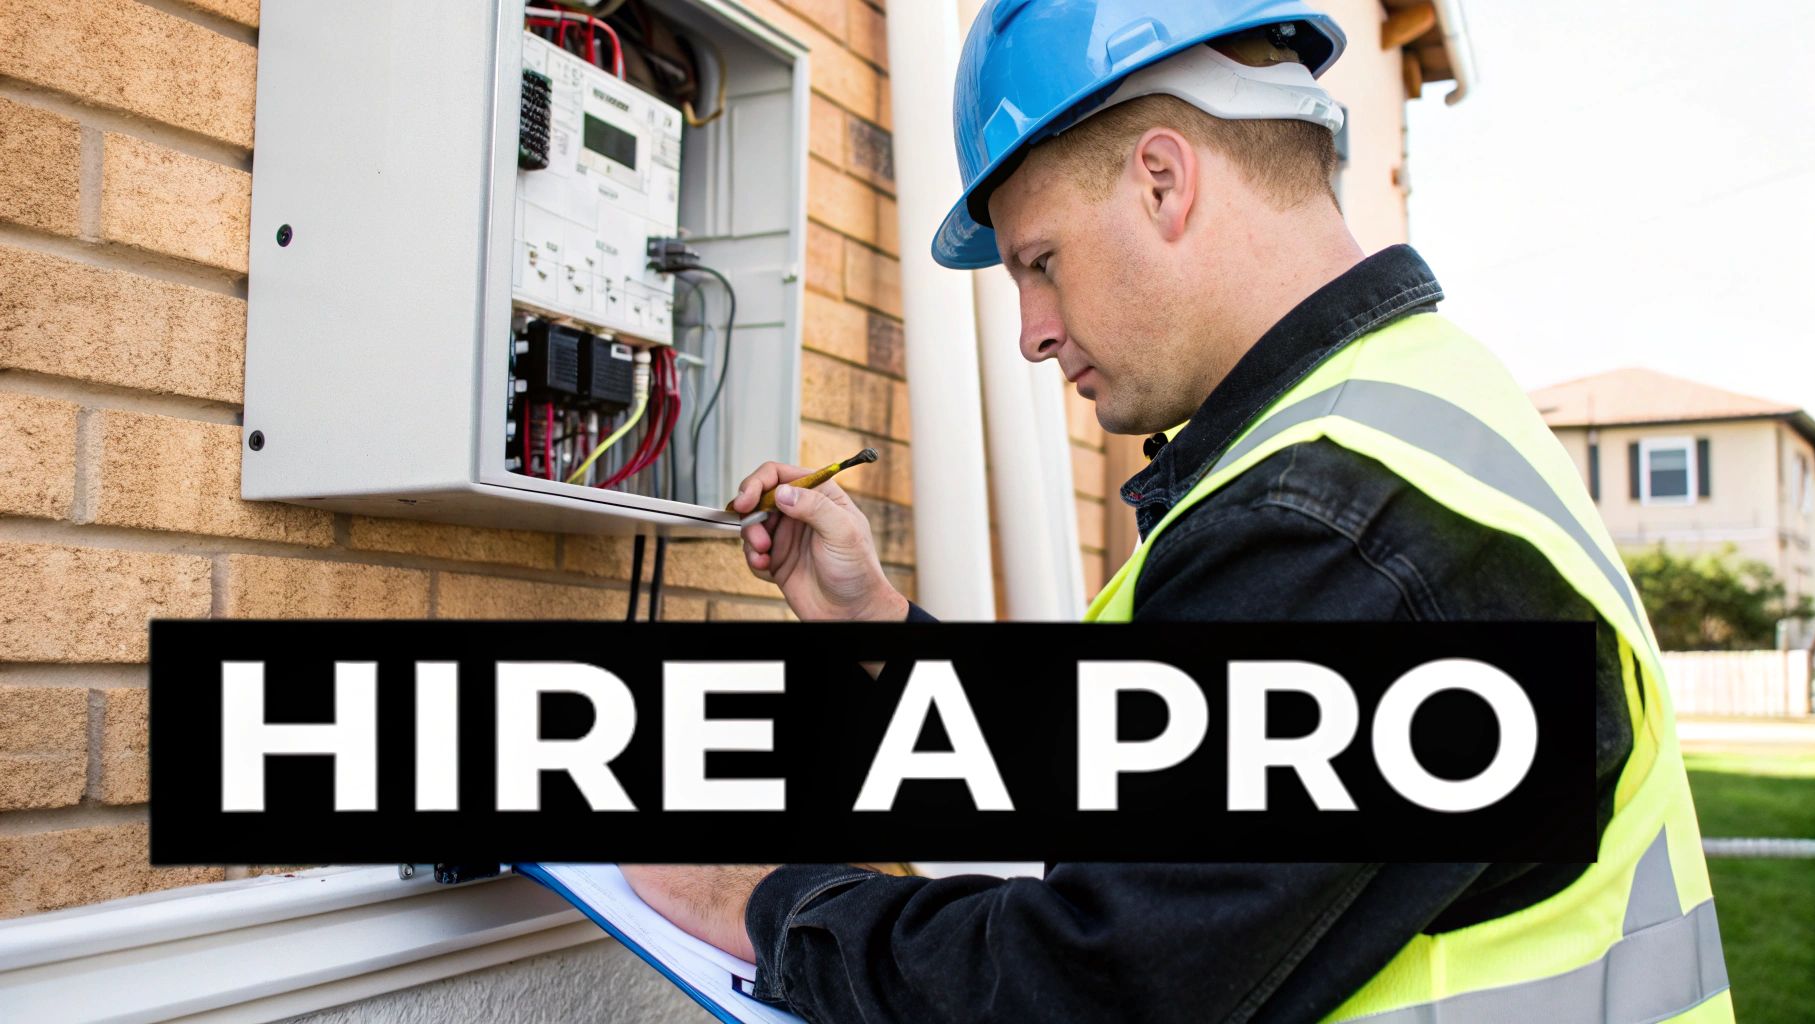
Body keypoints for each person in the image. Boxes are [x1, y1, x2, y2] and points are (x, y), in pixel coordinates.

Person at [624, 3, 1733, 1021]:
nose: (1032, 331)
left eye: (1040, 262)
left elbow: (1088, 987)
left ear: (1162, 179)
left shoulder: (1336, 520)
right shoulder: (1393, 419)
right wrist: (876, 631)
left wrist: (769, 901)